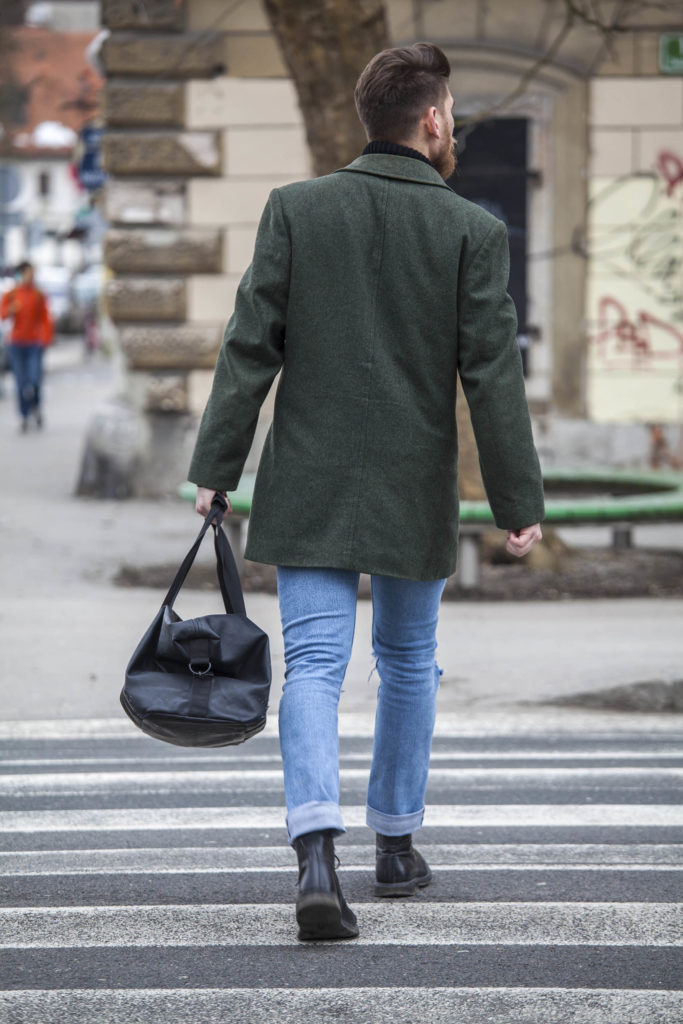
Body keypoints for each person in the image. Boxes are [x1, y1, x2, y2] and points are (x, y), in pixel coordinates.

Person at [188, 42, 544, 941]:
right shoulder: (471, 231)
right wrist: (517, 502)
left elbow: (249, 345)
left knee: (312, 665)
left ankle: (315, 850)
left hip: (306, 478)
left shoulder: (297, 210)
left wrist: (215, 470)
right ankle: (394, 845)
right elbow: (491, 376)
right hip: (410, 484)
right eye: (451, 111)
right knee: (407, 663)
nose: (453, 123)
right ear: (431, 121)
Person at [0, 261, 53, 432]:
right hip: (16, 344)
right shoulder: (12, 294)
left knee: (35, 379)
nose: (31, 276)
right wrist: (10, 309)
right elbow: (2, 314)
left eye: (33, 273)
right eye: (28, 273)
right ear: (21, 274)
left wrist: (45, 338)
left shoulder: (38, 294)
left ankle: (35, 407)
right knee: (21, 382)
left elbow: (46, 318)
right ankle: (24, 415)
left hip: (34, 344)